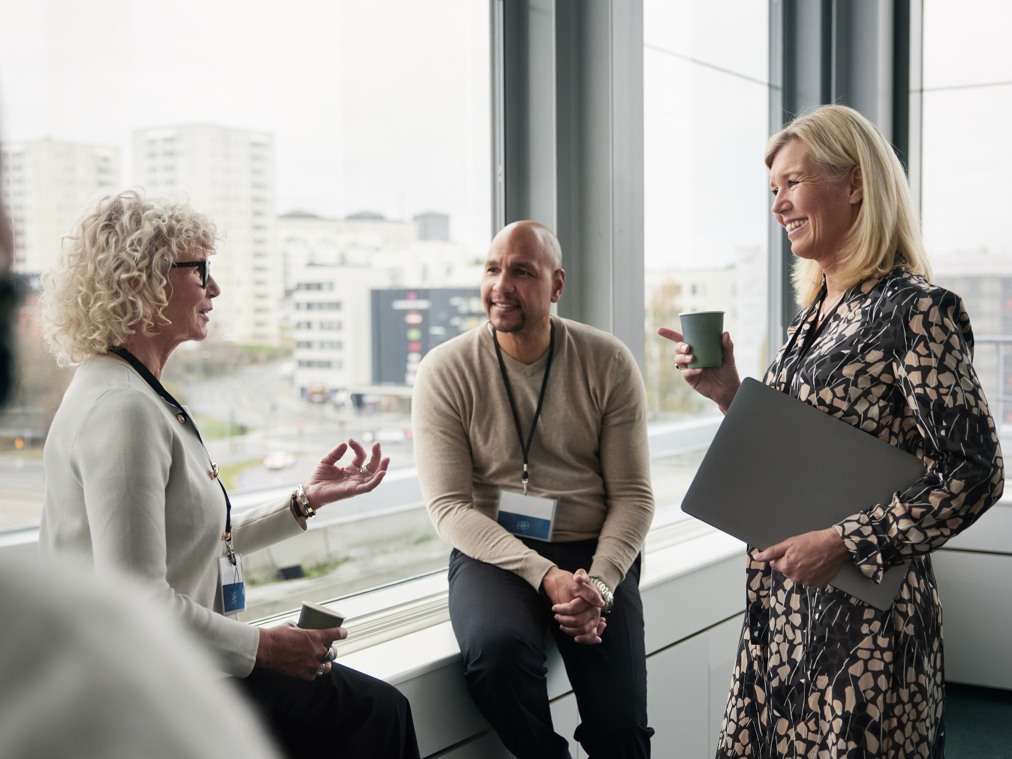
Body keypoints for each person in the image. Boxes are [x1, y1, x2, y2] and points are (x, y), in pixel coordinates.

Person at [659, 104, 1004, 757]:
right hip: (781, 612)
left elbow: (975, 472)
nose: (778, 205)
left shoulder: (914, 310)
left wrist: (845, 542)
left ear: (855, 184)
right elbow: (802, 447)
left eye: (792, 182)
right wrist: (729, 393)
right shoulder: (815, 312)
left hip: (863, 629)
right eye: (773, 190)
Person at [37, 190, 420, 759]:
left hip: (170, 671)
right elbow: (138, 603)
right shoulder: (123, 409)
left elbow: (188, 539)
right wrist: (266, 647)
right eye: (200, 270)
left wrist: (304, 503)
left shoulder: (124, 389)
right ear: (143, 280)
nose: (214, 288)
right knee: (377, 713)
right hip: (150, 691)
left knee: (374, 711)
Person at [412, 220, 655, 758]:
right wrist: (546, 576)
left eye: (521, 272)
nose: (501, 286)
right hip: (494, 552)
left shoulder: (607, 361)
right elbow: (449, 507)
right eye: (492, 269)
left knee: (620, 727)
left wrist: (599, 585)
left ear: (556, 284)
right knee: (496, 657)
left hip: (593, 552)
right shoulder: (445, 370)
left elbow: (634, 498)